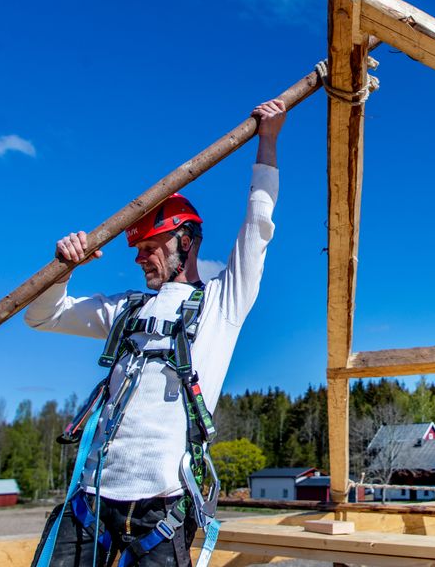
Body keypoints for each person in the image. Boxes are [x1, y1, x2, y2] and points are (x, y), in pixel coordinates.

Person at [24, 99, 287, 567]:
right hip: (90, 500)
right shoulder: (125, 309)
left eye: (151, 246)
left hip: (161, 508)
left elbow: (257, 228)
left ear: (185, 240)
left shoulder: (220, 305)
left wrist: (267, 141)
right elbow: (43, 315)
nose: (141, 257)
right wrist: (62, 270)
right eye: (138, 248)